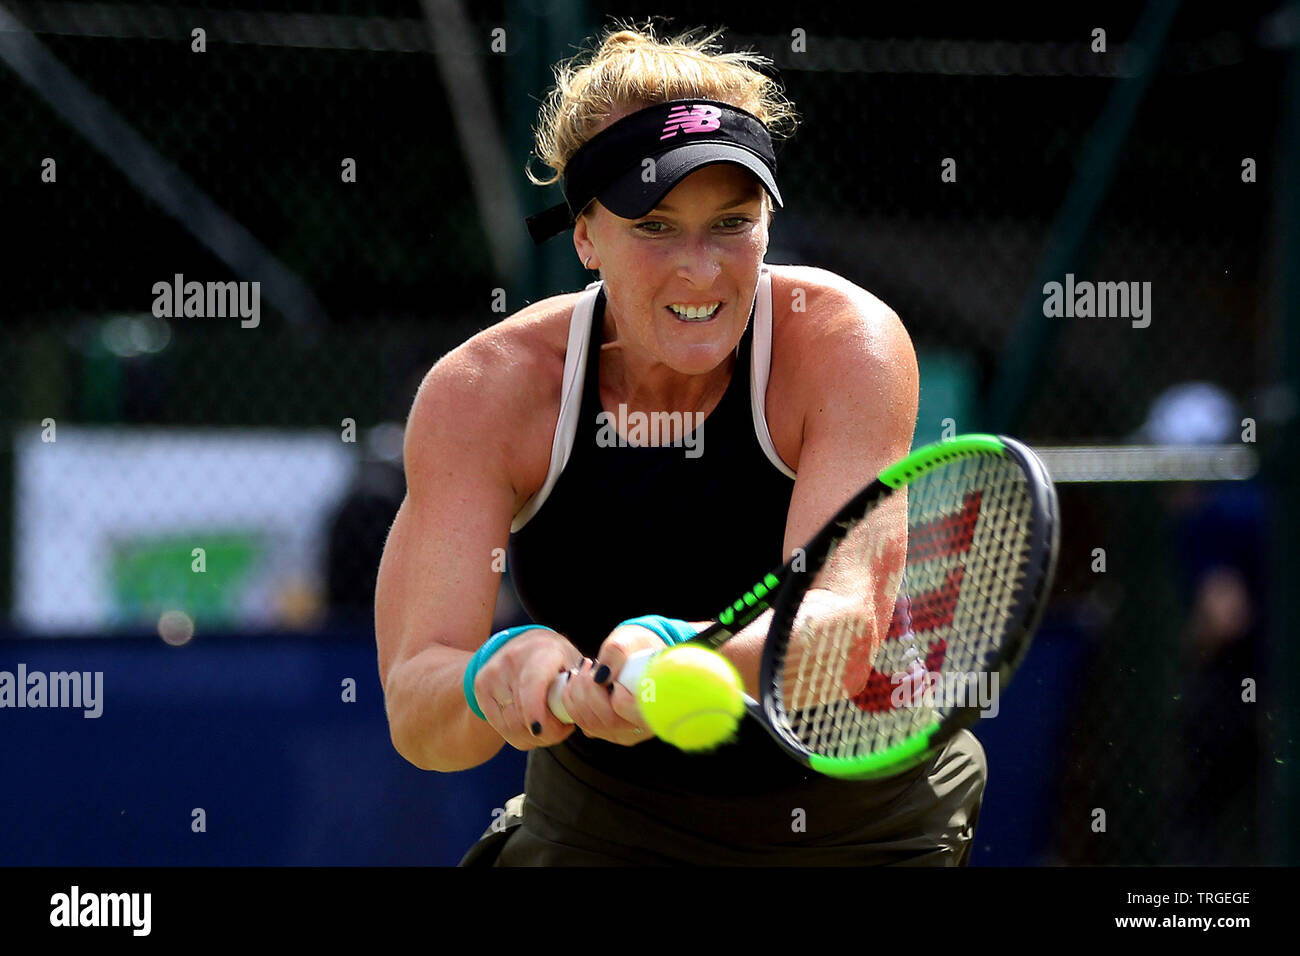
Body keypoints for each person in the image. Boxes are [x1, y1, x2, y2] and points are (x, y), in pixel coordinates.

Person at [375, 23, 986, 865]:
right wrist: (502, 675)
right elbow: (418, 710)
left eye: (732, 222)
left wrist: (679, 650)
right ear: (585, 235)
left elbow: (838, 635)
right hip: (606, 815)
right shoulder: (486, 392)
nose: (701, 270)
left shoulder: (846, 345)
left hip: (864, 814)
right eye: (656, 227)